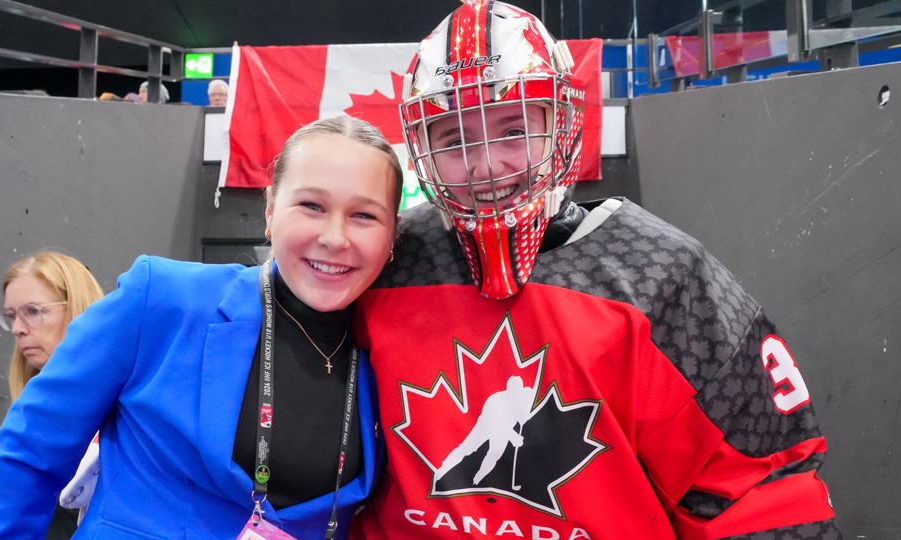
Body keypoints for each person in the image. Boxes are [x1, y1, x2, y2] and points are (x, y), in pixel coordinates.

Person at [351, 2, 841, 539]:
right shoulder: (388, 259)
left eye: (513, 128)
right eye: (455, 140)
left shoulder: (661, 275)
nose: (485, 164)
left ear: (558, 126)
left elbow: (762, 493)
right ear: (421, 150)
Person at [0, 115, 402, 540]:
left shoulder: (391, 356)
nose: (335, 237)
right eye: (312, 205)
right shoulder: (162, 301)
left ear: (393, 234)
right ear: (270, 211)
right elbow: (30, 453)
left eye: (364, 216)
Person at [0, 252, 105, 539]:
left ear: (77, 309)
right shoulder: (29, 412)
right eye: (11, 316)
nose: (18, 328)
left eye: (33, 311)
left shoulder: (125, 408)